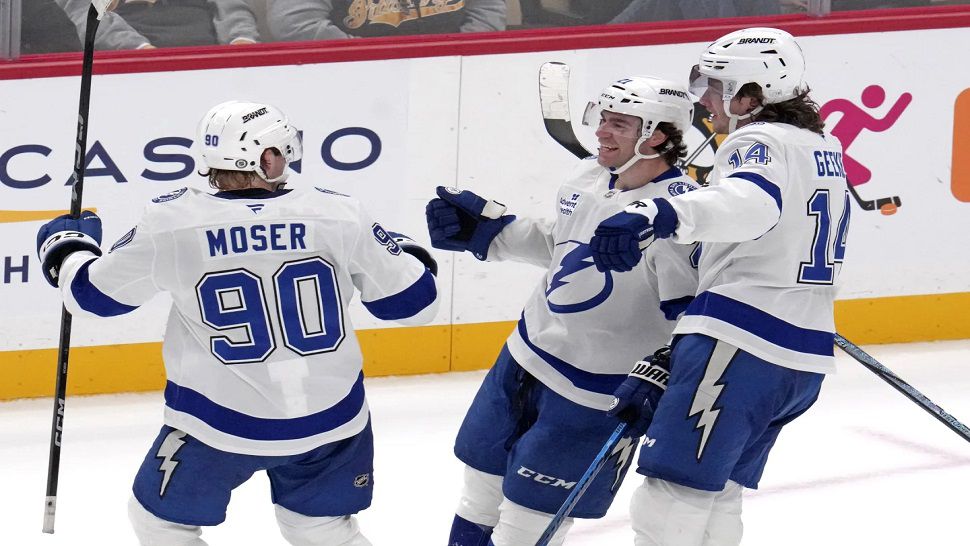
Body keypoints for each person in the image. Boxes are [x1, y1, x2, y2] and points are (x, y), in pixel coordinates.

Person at [35, 101, 440, 545]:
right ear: (266, 159)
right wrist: (405, 251)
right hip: (335, 420)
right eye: (283, 148)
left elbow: (91, 298)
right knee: (319, 527)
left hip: (222, 426)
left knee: (160, 523)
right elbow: (416, 305)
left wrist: (66, 245)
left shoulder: (172, 223)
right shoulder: (339, 213)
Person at [589, 27, 850, 545]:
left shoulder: (758, 139)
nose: (705, 100)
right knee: (717, 495)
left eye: (718, 86)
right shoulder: (822, 146)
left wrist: (658, 210)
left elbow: (751, 206)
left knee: (672, 496)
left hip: (740, 342)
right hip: (803, 355)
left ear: (753, 93)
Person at [426, 76, 700, 545]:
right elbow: (564, 244)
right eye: (603, 119)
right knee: (479, 497)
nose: (601, 132)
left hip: (595, 393)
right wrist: (491, 233)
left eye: (619, 124)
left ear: (656, 136)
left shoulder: (683, 219)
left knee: (525, 527)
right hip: (524, 357)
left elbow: (694, 314)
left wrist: (670, 378)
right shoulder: (588, 179)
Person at [57, 0, 260, 50]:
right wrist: (143, 52)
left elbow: (231, 7)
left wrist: (241, 39)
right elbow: (87, 13)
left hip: (210, 54)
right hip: (129, 61)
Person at [268, 0, 505, 42]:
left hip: (454, 77)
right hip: (351, 81)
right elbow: (295, 26)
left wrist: (458, 55)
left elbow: (488, 9)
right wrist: (375, 60)